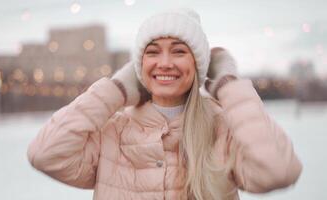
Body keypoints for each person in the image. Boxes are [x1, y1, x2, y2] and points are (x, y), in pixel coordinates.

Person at [27, 8, 302, 200]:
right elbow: (45, 154)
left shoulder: (221, 128)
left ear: (198, 65)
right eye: (153, 52)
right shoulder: (113, 131)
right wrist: (115, 89)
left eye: (179, 51)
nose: (165, 63)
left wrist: (229, 85)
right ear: (139, 66)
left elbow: (278, 170)